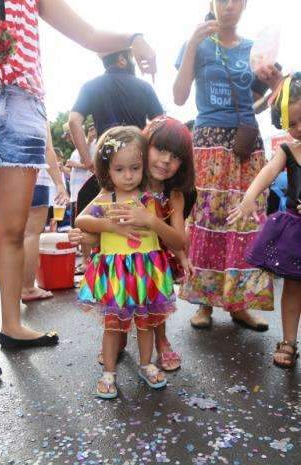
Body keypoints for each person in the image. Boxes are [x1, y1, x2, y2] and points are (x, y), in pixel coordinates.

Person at [0, 0, 157, 350]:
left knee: (12, 228)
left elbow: (88, 33)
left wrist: (135, 36)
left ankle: (11, 325)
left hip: (22, 97)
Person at [173, 0, 282, 331]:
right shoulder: (197, 44)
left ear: (245, 4)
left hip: (247, 144)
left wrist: (277, 86)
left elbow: (263, 106)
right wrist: (192, 44)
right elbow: (178, 97)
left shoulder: (256, 50)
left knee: (247, 222)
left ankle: (240, 304)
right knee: (207, 218)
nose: (229, 5)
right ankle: (204, 303)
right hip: (208, 142)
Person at [69, 116, 195, 372]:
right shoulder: (126, 179)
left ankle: (162, 343)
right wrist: (99, 232)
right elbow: (89, 221)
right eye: (160, 149)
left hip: (156, 256)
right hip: (119, 257)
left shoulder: (173, 193)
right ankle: (118, 341)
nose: (166, 160)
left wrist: (151, 220)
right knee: (120, 309)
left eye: (176, 156)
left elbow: (178, 240)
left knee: (154, 304)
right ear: (143, 147)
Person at [228, 73, 301, 368]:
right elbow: (268, 172)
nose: (299, 128)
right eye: (292, 123)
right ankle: (289, 341)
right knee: (294, 289)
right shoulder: (288, 150)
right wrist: (249, 197)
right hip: (297, 231)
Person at [69, 47, 164, 215]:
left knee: (94, 223)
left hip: (108, 168)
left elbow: (74, 121)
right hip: (138, 169)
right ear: (122, 59)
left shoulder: (91, 86)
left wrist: (88, 162)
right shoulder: (144, 86)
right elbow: (161, 124)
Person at [21, 125, 69, 303]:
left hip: (3, 175)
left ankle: (10, 290)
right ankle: (27, 287)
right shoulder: (35, 103)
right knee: (31, 234)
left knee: (10, 237)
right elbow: (47, 149)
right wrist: (59, 184)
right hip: (35, 174)